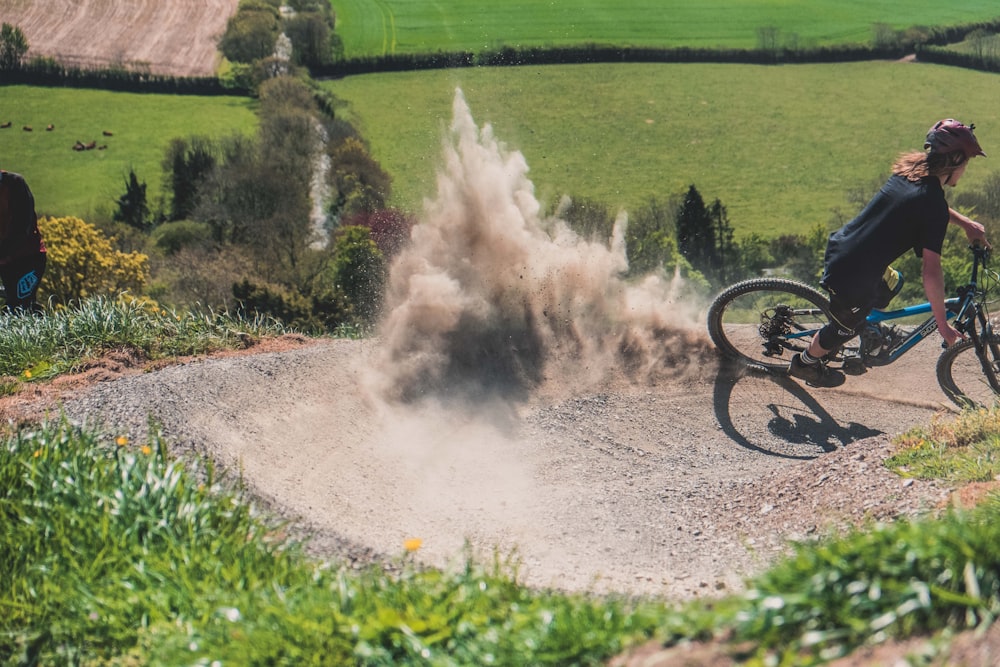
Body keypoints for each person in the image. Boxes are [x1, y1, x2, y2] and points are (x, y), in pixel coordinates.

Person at [788, 118, 989, 388]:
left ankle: (868, 329)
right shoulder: (931, 202)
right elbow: (931, 272)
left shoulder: (910, 172)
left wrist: (966, 223)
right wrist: (943, 325)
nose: (966, 169)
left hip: (848, 248)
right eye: (966, 162)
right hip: (851, 273)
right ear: (955, 159)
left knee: (895, 281)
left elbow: (931, 206)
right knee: (844, 328)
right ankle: (805, 363)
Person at [0, 168, 47, 313]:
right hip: (4, 259)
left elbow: (23, 226)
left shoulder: (14, 184)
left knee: (20, 308)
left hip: (27, 257)